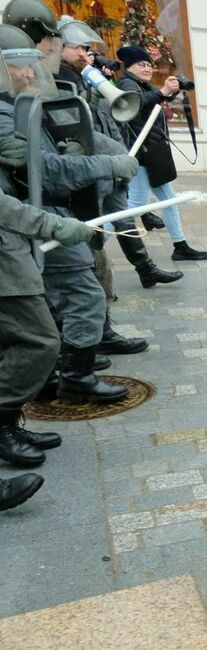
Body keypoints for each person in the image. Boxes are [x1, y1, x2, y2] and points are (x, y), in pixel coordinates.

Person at [0, 24, 136, 403]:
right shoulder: (3, 112)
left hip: (39, 215)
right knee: (80, 296)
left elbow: (44, 159)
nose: (29, 73)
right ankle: (72, 377)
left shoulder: (17, 104)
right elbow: (40, 170)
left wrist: (74, 155)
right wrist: (102, 165)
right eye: (18, 67)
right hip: (31, 220)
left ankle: (51, 378)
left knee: (56, 305)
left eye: (32, 65)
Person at [55, 14, 178, 343]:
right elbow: (80, 131)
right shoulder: (60, 81)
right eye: (80, 48)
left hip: (107, 166)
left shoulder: (84, 77)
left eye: (88, 48)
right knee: (94, 241)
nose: (87, 54)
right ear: (58, 47)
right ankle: (97, 332)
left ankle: (139, 273)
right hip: (92, 171)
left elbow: (108, 119)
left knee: (116, 220)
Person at [0, 161, 95, 478]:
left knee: (21, 343)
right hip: (6, 261)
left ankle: (8, 424)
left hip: (12, 249)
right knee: (39, 341)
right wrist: (51, 224)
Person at [115, 45, 207, 262]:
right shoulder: (127, 84)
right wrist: (162, 93)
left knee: (168, 200)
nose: (148, 68)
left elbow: (149, 102)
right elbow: (135, 107)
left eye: (150, 64)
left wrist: (166, 93)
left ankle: (180, 245)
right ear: (130, 67)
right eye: (142, 64)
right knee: (133, 206)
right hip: (141, 153)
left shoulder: (140, 84)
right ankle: (95, 237)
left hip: (151, 152)